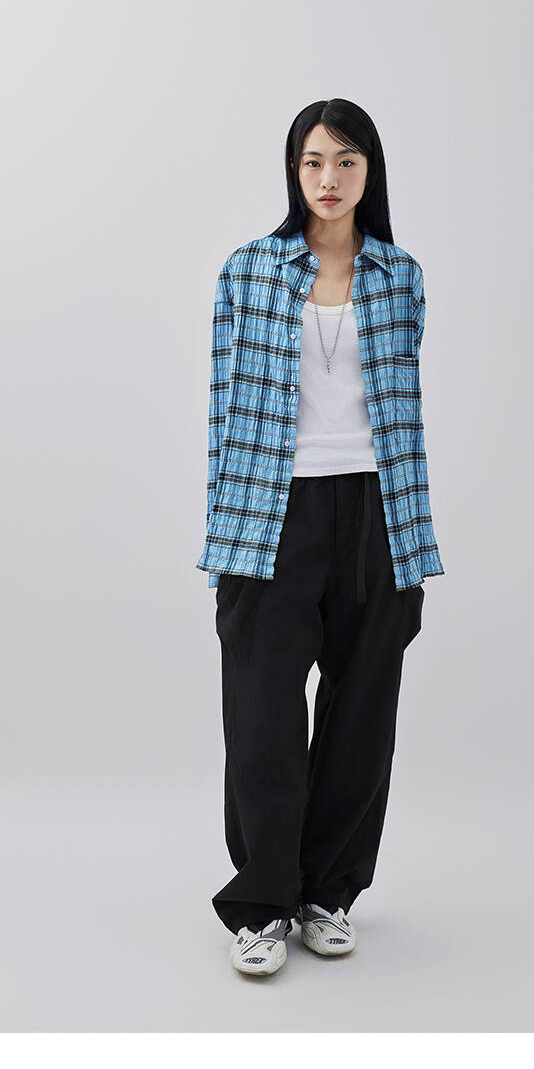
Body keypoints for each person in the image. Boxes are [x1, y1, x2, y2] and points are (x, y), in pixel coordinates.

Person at [201, 99, 442, 987]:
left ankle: (326, 893)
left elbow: (404, 413)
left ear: (370, 171)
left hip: (378, 512)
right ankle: (262, 903)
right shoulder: (250, 270)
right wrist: (224, 531)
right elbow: (223, 407)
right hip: (272, 510)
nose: (329, 179)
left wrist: (409, 539)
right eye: (312, 161)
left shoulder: (401, 276)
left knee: (363, 712)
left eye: (346, 161)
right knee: (263, 714)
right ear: (292, 171)